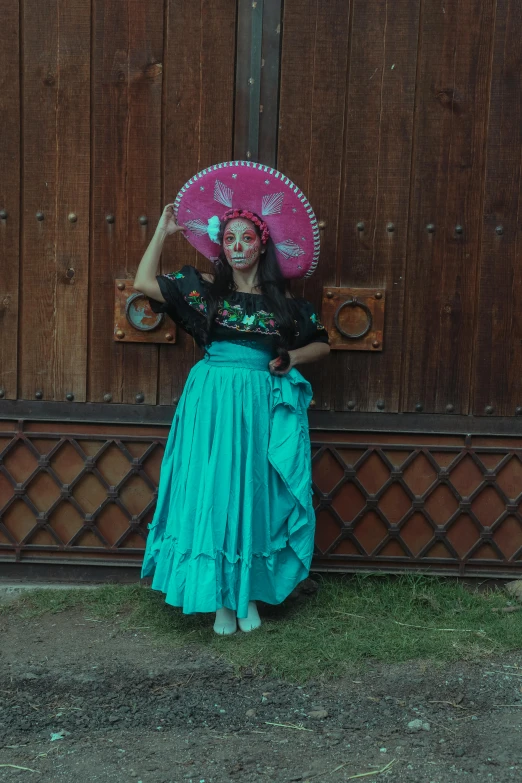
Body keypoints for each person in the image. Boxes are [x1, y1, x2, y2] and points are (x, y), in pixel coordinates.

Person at [134, 161, 330, 635]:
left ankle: (247, 597)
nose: (238, 247)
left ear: (262, 244)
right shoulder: (204, 294)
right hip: (213, 402)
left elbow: (323, 343)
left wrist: (291, 359)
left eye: (246, 238)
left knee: (254, 491)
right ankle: (220, 600)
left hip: (259, 404)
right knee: (216, 491)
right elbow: (142, 285)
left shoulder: (283, 305)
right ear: (221, 247)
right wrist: (162, 231)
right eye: (229, 239)